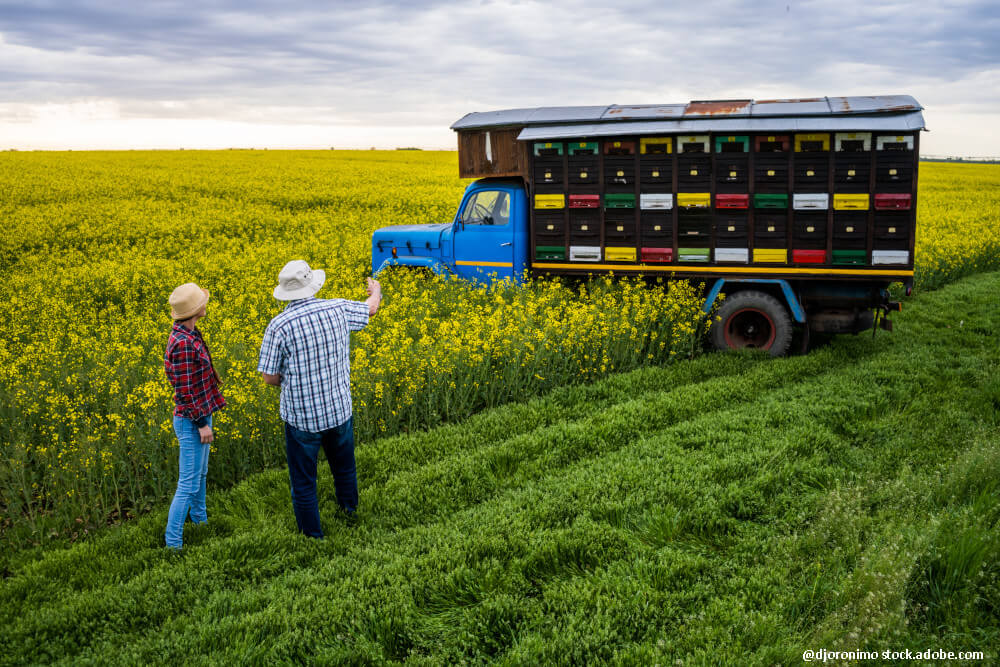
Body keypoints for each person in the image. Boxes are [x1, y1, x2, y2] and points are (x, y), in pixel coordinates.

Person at [257, 260, 381, 538]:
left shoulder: (279, 325)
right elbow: (371, 308)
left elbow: (268, 376)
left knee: (303, 481)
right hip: (338, 408)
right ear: (312, 284)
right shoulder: (336, 308)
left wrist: (291, 381)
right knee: (344, 468)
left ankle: (312, 536)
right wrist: (377, 290)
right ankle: (350, 512)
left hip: (302, 418)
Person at [163, 282, 226, 549]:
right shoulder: (184, 343)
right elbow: (184, 391)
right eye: (202, 302)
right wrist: (201, 424)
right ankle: (173, 544)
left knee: (200, 475)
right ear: (196, 309)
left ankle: (200, 522)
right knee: (187, 483)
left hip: (201, 413)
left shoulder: (190, 333)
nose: (206, 305)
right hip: (192, 420)